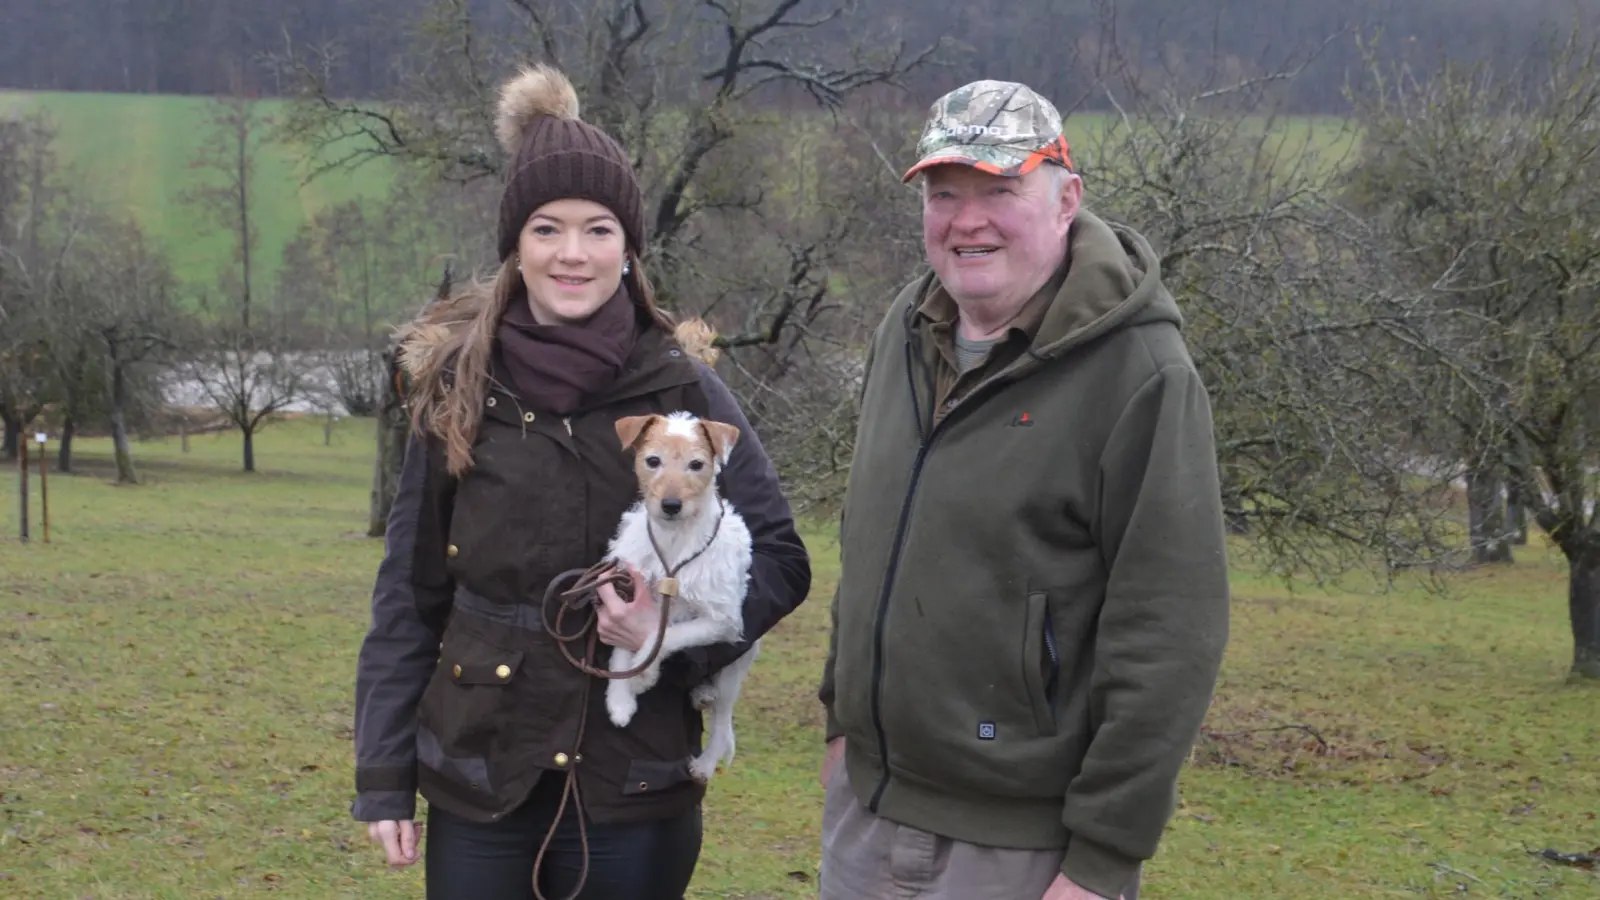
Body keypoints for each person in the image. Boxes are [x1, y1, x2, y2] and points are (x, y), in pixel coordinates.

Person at [350, 63, 811, 900]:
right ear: (514, 246)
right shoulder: (458, 390)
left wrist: (669, 633)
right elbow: (410, 596)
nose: (573, 254)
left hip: (632, 784)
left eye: (599, 230)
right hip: (480, 774)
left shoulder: (683, 390)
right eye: (547, 229)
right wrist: (384, 772)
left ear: (628, 246)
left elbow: (780, 559)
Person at [816, 79, 1230, 900]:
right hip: (868, 818)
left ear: (1066, 197)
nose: (967, 221)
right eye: (944, 194)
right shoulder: (906, 327)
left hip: (1021, 850)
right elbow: (871, 550)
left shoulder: (1142, 374)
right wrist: (842, 727)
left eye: (1000, 190)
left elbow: (1170, 633)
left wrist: (1103, 859)